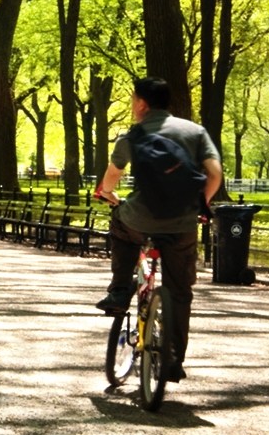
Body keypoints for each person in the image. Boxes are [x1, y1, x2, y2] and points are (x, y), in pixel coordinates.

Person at [94, 76, 223, 384]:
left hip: (141, 217)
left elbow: (110, 179)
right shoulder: (195, 132)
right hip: (182, 225)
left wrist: (106, 193)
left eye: (132, 101)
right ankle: (173, 359)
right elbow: (215, 174)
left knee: (121, 225)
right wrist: (198, 203)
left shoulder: (132, 136)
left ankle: (120, 288)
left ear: (142, 104)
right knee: (180, 292)